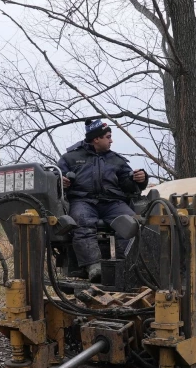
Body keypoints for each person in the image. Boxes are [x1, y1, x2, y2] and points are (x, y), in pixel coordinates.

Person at [58, 119, 147, 281]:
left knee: (132, 224)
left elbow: (128, 186)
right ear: (96, 138)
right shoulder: (70, 158)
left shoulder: (116, 160)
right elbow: (57, 180)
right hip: (83, 201)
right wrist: (61, 182)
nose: (111, 140)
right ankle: (94, 268)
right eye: (108, 136)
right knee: (81, 222)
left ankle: (127, 267)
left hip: (113, 203)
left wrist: (139, 180)